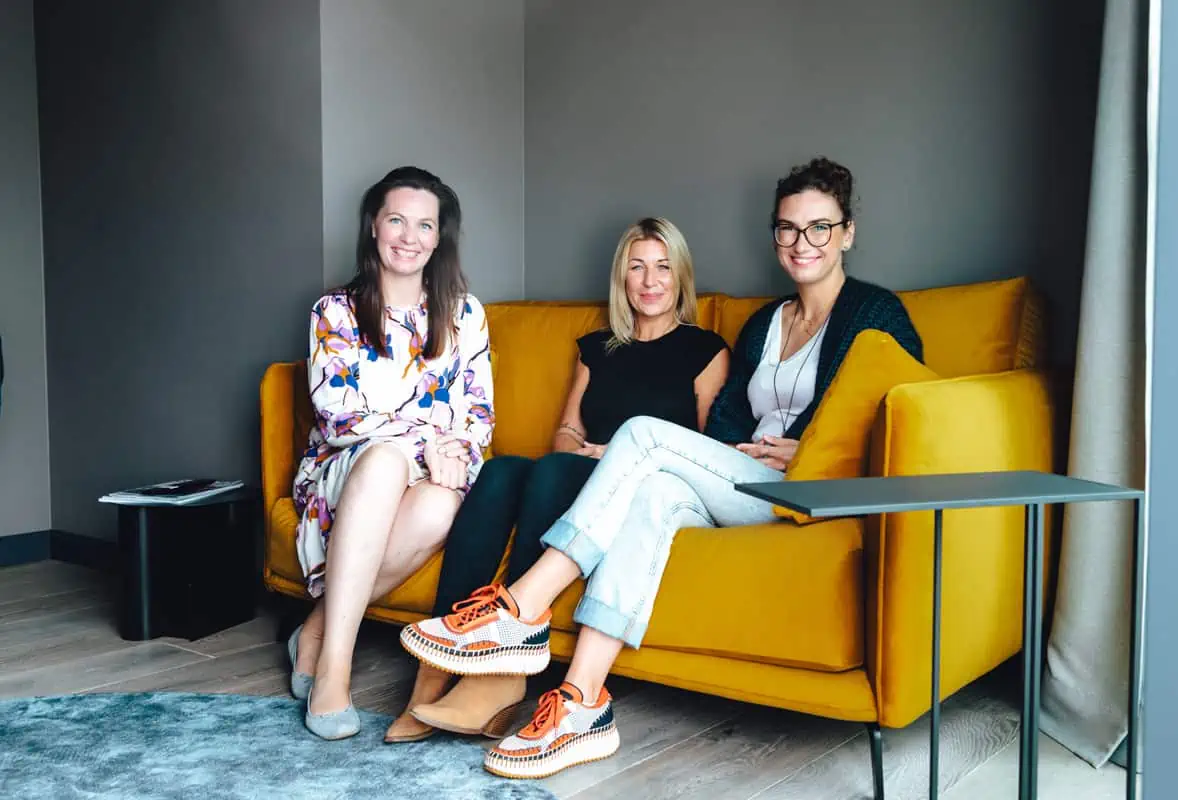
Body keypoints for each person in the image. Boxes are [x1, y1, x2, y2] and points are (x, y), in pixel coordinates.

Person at [399, 157, 925, 779]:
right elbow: (725, 428)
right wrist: (749, 450)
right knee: (648, 492)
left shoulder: (876, 314)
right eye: (787, 228)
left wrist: (805, 448)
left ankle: (520, 611)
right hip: (741, 480)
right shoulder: (765, 325)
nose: (801, 242)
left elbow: (899, 410)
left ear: (847, 233)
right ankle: (580, 703)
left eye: (819, 228)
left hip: (807, 487)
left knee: (644, 436)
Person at [381, 217, 731, 743]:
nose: (650, 280)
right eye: (637, 267)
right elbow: (566, 430)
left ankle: (503, 676)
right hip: (578, 467)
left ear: (681, 277)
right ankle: (432, 675)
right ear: (622, 278)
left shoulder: (706, 351)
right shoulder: (597, 347)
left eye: (663, 267)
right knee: (501, 471)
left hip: (642, 485)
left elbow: (704, 456)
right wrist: (582, 449)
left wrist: (611, 454)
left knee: (553, 470)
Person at [288, 166, 494, 741]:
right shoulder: (335, 311)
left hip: (427, 473)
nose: (410, 236)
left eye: (424, 225)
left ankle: (313, 631)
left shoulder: (465, 313)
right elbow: (338, 412)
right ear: (373, 227)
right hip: (341, 469)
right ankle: (335, 669)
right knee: (382, 460)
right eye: (397, 220)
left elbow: (478, 416)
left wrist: (448, 449)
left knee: (439, 508)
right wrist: (427, 439)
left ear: (439, 237)